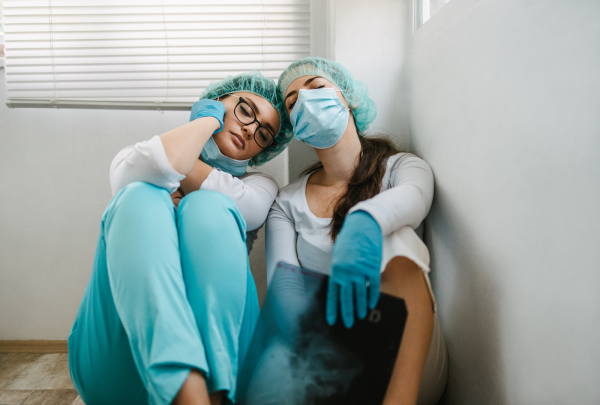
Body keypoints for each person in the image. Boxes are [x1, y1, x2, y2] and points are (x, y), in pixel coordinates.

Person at [67, 71, 292, 405]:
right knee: (137, 198)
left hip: (226, 365)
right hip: (118, 366)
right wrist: (203, 125)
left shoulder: (261, 186)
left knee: (207, 207)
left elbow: (154, 166)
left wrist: (169, 175)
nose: (250, 129)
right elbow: (141, 173)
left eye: (263, 134)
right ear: (216, 103)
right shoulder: (145, 154)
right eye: (245, 110)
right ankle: (185, 384)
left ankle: (197, 392)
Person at [264, 57, 448, 405]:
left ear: (347, 97)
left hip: (408, 353)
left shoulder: (401, 167)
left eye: (316, 87)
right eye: (292, 103)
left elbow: (416, 197)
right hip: (327, 353)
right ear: (293, 127)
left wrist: (365, 222)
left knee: (394, 234)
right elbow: (284, 289)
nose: (305, 101)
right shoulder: (286, 202)